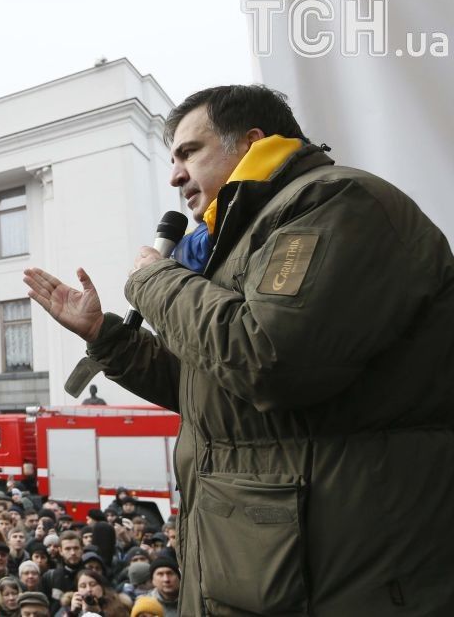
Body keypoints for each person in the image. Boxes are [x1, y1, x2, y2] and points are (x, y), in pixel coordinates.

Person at [25, 83, 454, 615]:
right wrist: (104, 336)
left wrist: (155, 282)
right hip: (269, 572)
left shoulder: (333, 202)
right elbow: (210, 387)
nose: (175, 174)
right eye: (173, 158)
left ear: (252, 142)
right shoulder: (239, 241)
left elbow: (269, 359)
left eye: (189, 152)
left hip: (337, 579)